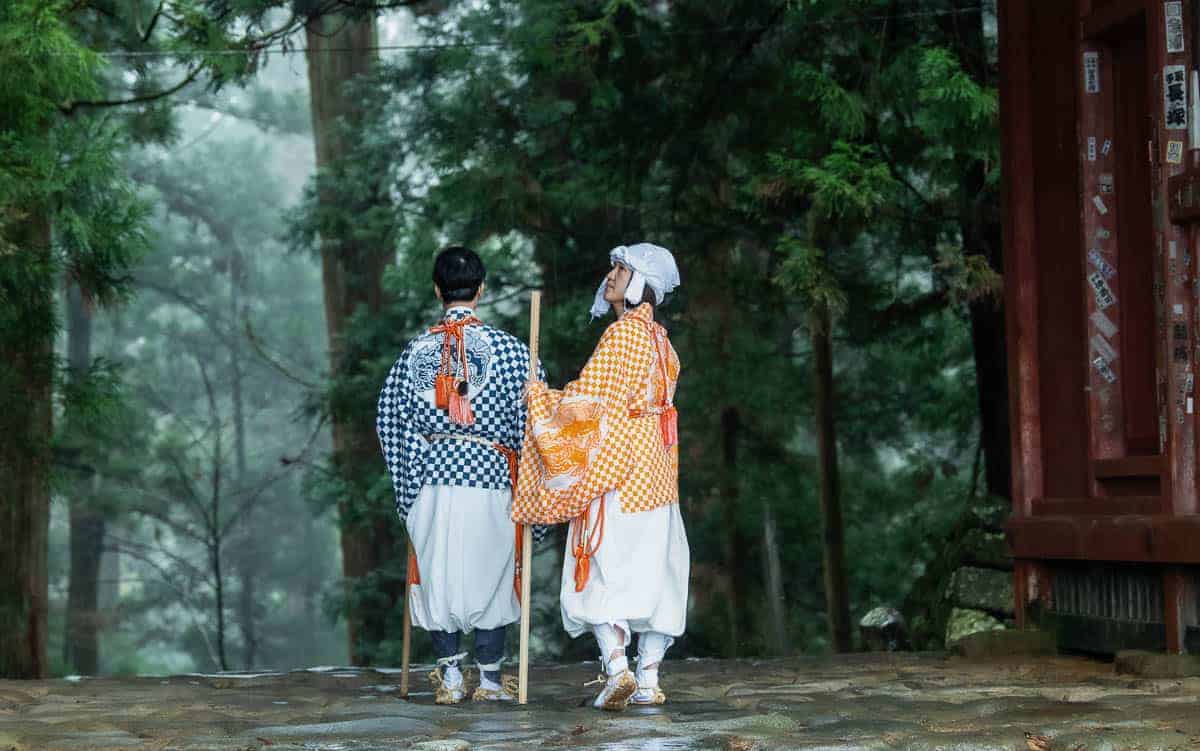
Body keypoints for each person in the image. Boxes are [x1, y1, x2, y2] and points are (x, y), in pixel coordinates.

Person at [513, 243, 689, 711]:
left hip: (619, 469)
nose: (609, 276)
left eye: (620, 269)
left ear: (637, 282)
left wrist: (540, 400)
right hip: (658, 472)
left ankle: (618, 667)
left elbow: (586, 406)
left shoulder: (623, 336)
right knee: (658, 571)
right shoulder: (661, 341)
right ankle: (649, 678)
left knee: (602, 564)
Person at [376, 246, 542, 704]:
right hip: (491, 479)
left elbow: (389, 419)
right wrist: (528, 486)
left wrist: (409, 484)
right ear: (482, 290)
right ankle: (488, 683)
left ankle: (450, 679)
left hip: (432, 480)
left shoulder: (415, 352)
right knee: (491, 576)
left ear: (436, 290)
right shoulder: (513, 351)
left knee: (439, 576)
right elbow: (538, 423)